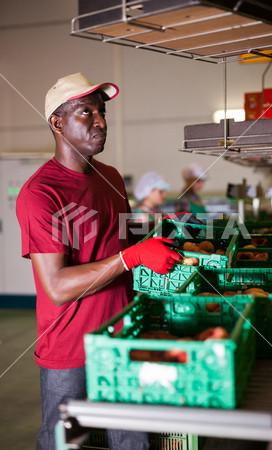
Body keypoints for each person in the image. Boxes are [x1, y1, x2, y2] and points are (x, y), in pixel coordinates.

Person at [16, 72, 181, 450]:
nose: (101, 122)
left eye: (101, 111)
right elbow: (57, 287)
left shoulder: (110, 177)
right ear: (57, 123)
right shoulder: (40, 194)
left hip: (122, 336)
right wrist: (133, 255)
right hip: (71, 349)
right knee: (65, 442)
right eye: (86, 112)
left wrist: (154, 231)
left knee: (132, 439)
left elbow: (113, 239)